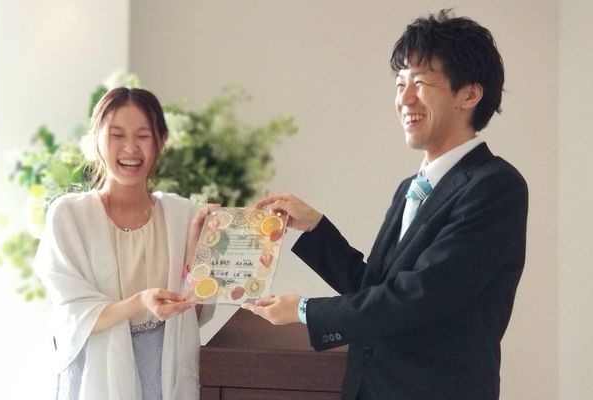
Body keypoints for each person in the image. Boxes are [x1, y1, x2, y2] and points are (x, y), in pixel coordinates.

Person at [242, 10, 528, 400]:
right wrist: (316, 228)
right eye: (399, 84)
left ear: (469, 94)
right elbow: (376, 290)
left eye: (420, 83)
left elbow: (418, 297)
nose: (404, 99)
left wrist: (305, 310)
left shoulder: (495, 186)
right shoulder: (410, 188)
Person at [34, 87, 215, 400]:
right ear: (96, 139)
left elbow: (191, 315)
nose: (130, 148)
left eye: (143, 136)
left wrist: (203, 256)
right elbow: (74, 312)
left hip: (164, 368)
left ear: (161, 141)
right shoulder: (69, 215)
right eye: (117, 135)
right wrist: (140, 302)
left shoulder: (183, 215)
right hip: (94, 371)